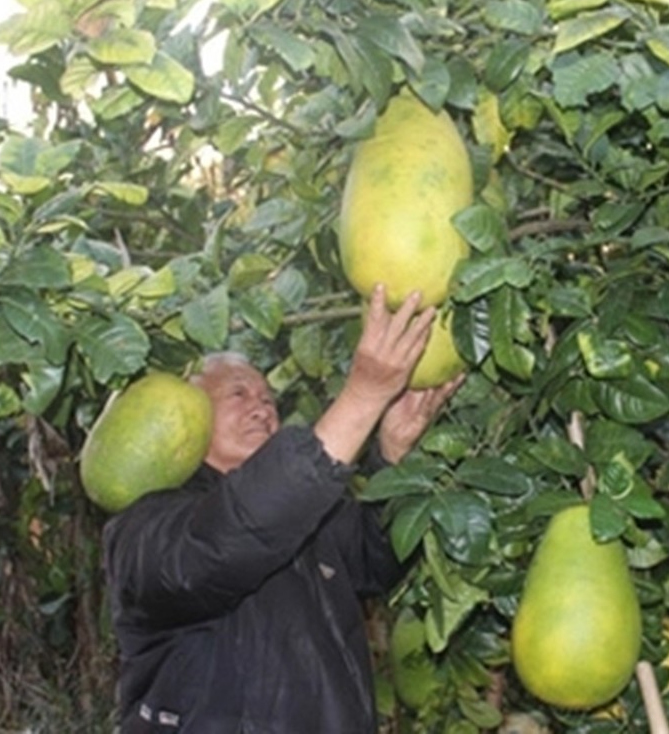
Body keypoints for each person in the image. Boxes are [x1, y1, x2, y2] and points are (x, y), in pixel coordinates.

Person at [103, 284, 463, 733]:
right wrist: (362, 397)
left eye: (267, 399)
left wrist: (391, 455)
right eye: (238, 394)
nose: (261, 408)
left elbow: (376, 560)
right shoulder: (145, 528)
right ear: (187, 414)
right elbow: (221, 544)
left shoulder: (309, 517)